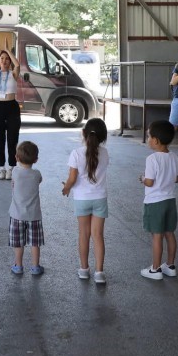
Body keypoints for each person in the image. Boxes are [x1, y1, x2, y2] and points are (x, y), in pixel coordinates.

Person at [61, 117, 110, 284]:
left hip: (82, 199)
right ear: (103, 137)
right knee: (98, 235)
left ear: (84, 133)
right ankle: (99, 272)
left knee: (84, 234)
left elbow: (72, 178)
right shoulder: (105, 153)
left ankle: (84, 269)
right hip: (100, 198)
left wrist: (66, 188)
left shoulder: (76, 153)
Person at [139, 120, 178, 281]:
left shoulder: (152, 159)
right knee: (169, 233)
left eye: (149, 136)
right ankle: (170, 266)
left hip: (155, 202)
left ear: (156, 140)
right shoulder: (174, 156)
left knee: (157, 235)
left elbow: (150, 182)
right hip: (170, 201)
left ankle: (155, 269)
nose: (148, 139)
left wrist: (142, 178)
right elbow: (177, 178)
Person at [0, 39, 21, 180]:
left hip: (12, 107)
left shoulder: (13, 74)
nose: (4, 61)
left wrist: (7, 50)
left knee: (12, 138)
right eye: (2, 59)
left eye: (7, 59)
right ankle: (1, 168)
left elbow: (17, 64)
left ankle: (12, 167)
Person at [10, 141, 44, 276]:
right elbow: (39, 180)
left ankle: (18, 266)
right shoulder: (37, 174)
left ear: (17, 158)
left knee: (18, 243)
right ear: (36, 159)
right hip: (34, 215)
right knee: (35, 243)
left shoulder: (15, 172)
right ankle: (35, 267)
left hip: (17, 215)